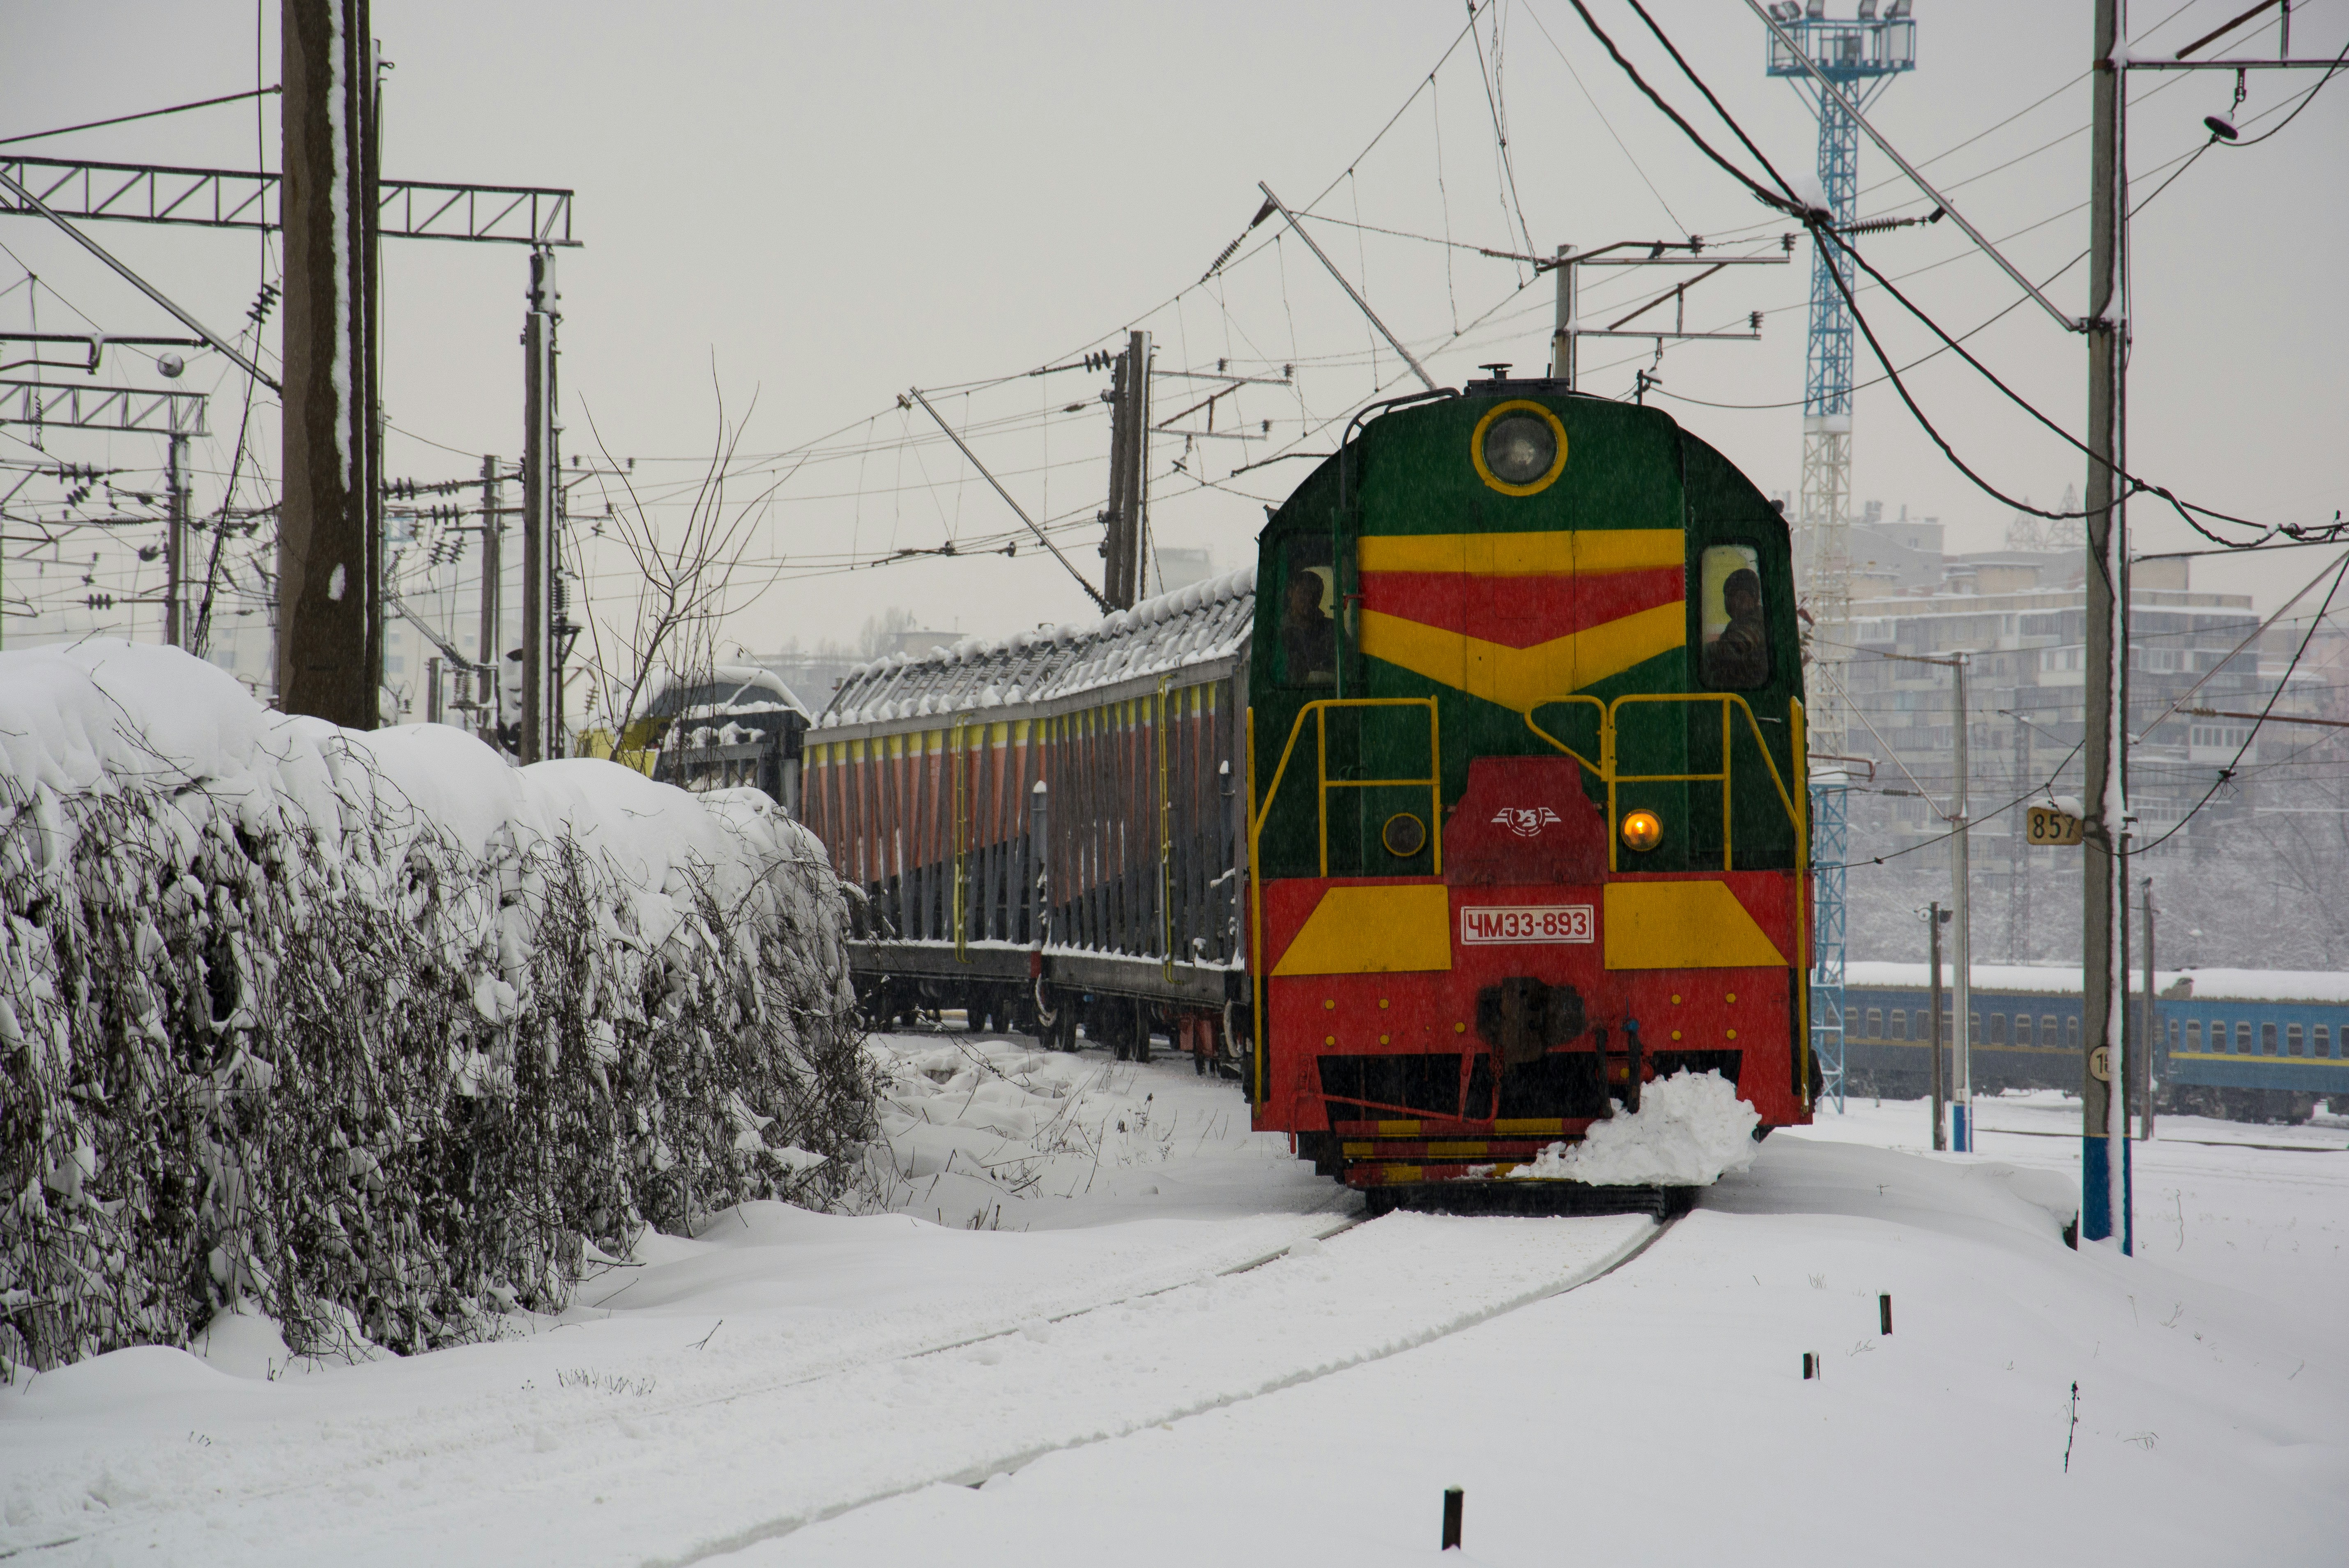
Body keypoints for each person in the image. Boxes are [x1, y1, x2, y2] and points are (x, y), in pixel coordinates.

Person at [1704, 567, 1769, 687]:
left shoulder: (1756, 623)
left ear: (1754, 599)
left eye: (1740, 597)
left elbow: (1730, 648)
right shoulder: (1742, 622)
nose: (1733, 602)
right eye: (1729, 597)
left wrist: (1696, 652)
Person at [1283, 569, 1334, 685]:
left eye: (1316, 593)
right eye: (1304, 592)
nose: (1310, 598)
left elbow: (1349, 666)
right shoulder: (1278, 631)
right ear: (1290, 592)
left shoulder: (1332, 629)